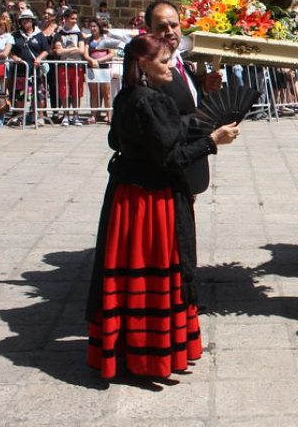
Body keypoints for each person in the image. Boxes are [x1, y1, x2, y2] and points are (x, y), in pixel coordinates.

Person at [85, 34, 239, 379]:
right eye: (164, 62)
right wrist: (212, 141)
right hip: (152, 202)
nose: (171, 68)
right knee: (155, 275)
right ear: (143, 64)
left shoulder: (127, 96)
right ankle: (152, 355)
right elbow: (171, 158)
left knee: (128, 277)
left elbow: (118, 140)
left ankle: (127, 347)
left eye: (171, 61)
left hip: (129, 196)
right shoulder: (149, 101)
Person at [145, 0, 222, 197]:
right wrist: (212, 138)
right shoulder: (149, 71)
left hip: (191, 166)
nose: (169, 31)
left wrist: (203, 88)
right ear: (149, 30)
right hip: (167, 174)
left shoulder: (183, 63)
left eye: (174, 25)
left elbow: (186, 103)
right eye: (161, 27)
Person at [52, 9, 88, 125]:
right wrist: (74, 49)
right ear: (66, 19)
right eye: (72, 18)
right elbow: (58, 52)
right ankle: (66, 115)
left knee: (77, 91)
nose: (74, 21)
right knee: (64, 91)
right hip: (64, 66)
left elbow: (81, 50)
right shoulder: (59, 34)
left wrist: (66, 50)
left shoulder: (78, 34)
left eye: (75, 19)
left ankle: (76, 115)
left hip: (77, 66)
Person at [86, 17, 116, 123]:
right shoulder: (88, 40)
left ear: (99, 27)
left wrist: (98, 61)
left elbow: (111, 53)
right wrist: (91, 60)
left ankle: (109, 115)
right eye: (91, 26)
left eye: (94, 26)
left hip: (103, 67)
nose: (92, 28)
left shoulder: (106, 39)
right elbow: (85, 54)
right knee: (93, 92)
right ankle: (93, 115)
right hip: (92, 67)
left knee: (106, 93)